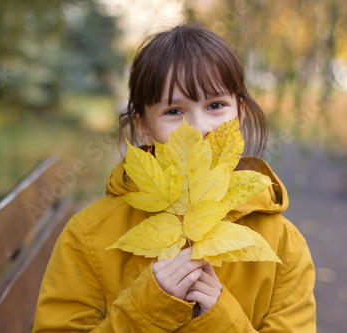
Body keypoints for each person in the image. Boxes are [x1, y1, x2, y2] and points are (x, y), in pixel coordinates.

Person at [33, 24, 316, 332]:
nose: (197, 128)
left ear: (241, 113)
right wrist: (147, 307)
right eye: (174, 111)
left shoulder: (283, 246)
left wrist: (221, 320)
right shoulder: (88, 238)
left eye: (216, 105)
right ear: (142, 127)